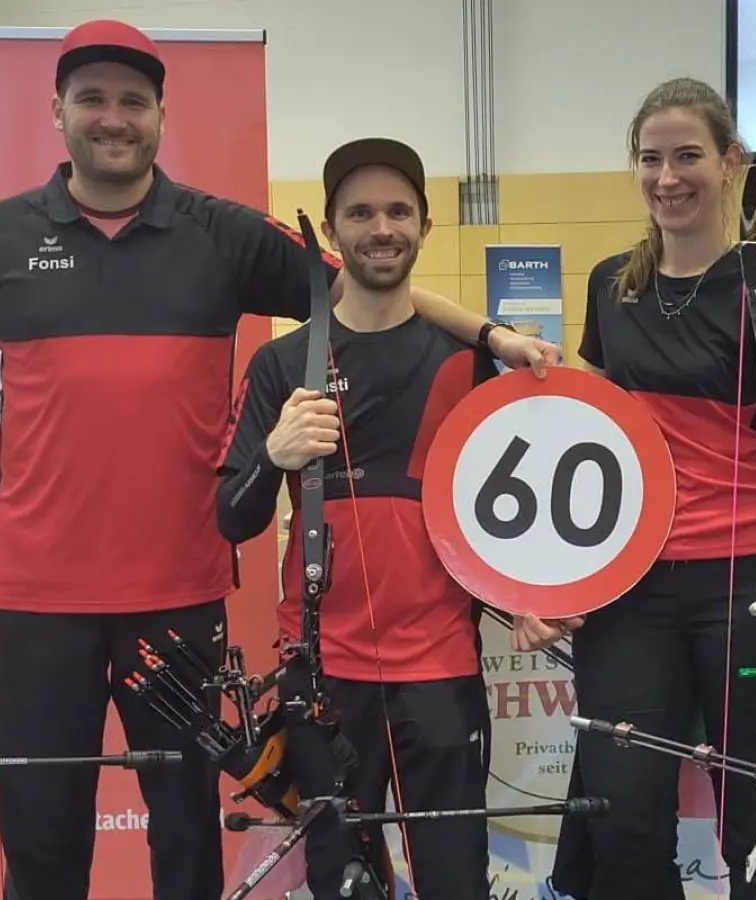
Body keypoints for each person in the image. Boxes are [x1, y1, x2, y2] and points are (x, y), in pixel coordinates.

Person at [0, 20, 553, 900]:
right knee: (40, 834)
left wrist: (489, 335)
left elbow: (375, 283)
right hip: (35, 596)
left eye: (132, 101)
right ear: (57, 112)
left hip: (177, 594)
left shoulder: (220, 234)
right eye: (93, 99)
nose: (113, 117)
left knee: (184, 837)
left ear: (160, 116)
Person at [528, 76, 756, 900]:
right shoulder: (611, 286)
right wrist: (546, 577)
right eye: (651, 158)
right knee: (624, 819)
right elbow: (587, 445)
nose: (668, 176)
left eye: (688, 156)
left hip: (742, 588)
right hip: (627, 590)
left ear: (731, 161)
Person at [216, 136, 498, 900]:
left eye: (399, 210)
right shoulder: (280, 365)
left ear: (425, 227)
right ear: (333, 233)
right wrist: (275, 454)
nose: (383, 227)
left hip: (441, 671)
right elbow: (230, 520)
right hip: (323, 677)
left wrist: (528, 597)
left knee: (455, 882)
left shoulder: (467, 360)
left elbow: (503, 517)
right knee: (346, 884)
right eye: (362, 212)